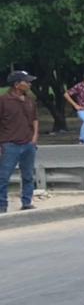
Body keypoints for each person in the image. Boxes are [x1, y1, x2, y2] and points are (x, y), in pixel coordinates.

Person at [0, 70, 40, 213]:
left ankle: (27, 202)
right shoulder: (3, 101)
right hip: (9, 144)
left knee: (28, 175)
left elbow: (35, 119)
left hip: (28, 144)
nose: (29, 84)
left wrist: (34, 137)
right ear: (17, 84)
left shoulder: (30, 101)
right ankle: (2, 205)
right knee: (3, 177)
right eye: (26, 81)